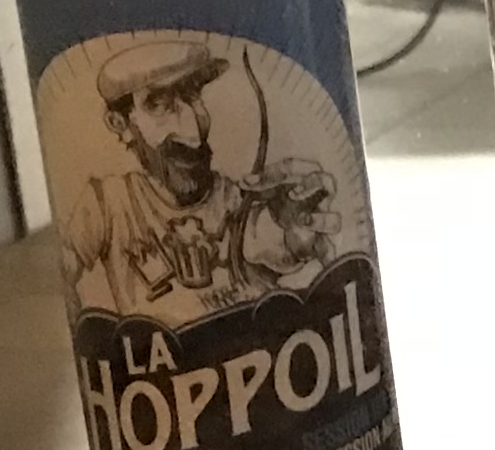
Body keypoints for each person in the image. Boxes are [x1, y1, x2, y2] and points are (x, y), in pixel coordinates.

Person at [65, 38, 340, 323]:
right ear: (120, 123)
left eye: (193, 94)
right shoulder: (109, 204)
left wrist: (297, 230)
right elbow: (66, 267)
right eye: (159, 104)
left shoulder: (234, 201)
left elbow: (267, 240)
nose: (193, 125)